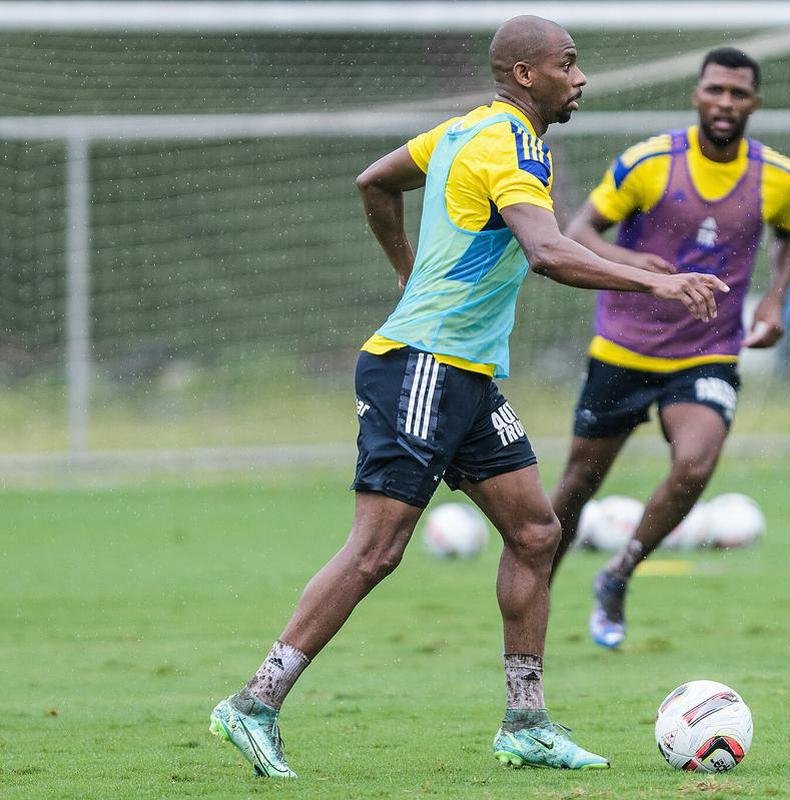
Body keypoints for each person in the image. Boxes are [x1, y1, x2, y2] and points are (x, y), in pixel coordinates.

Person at [208, 16, 727, 778]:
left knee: (537, 534)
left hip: (465, 375)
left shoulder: (465, 131)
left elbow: (375, 181)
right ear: (524, 74)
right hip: (422, 366)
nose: (580, 78)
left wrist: (406, 269)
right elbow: (547, 253)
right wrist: (657, 280)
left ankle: (525, 722)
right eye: (568, 64)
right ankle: (254, 702)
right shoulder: (509, 143)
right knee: (377, 548)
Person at [549, 47, 790, 649]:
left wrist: (774, 302)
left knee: (695, 462)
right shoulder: (648, 163)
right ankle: (536, 589)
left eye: (739, 94)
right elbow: (578, 233)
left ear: (754, 104)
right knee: (579, 482)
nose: (726, 103)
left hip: (707, 351)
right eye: (716, 90)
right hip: (623, 348)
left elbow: (789, 238)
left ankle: (619, 572)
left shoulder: (780, 177)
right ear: (697, 94)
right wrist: (637, 263)